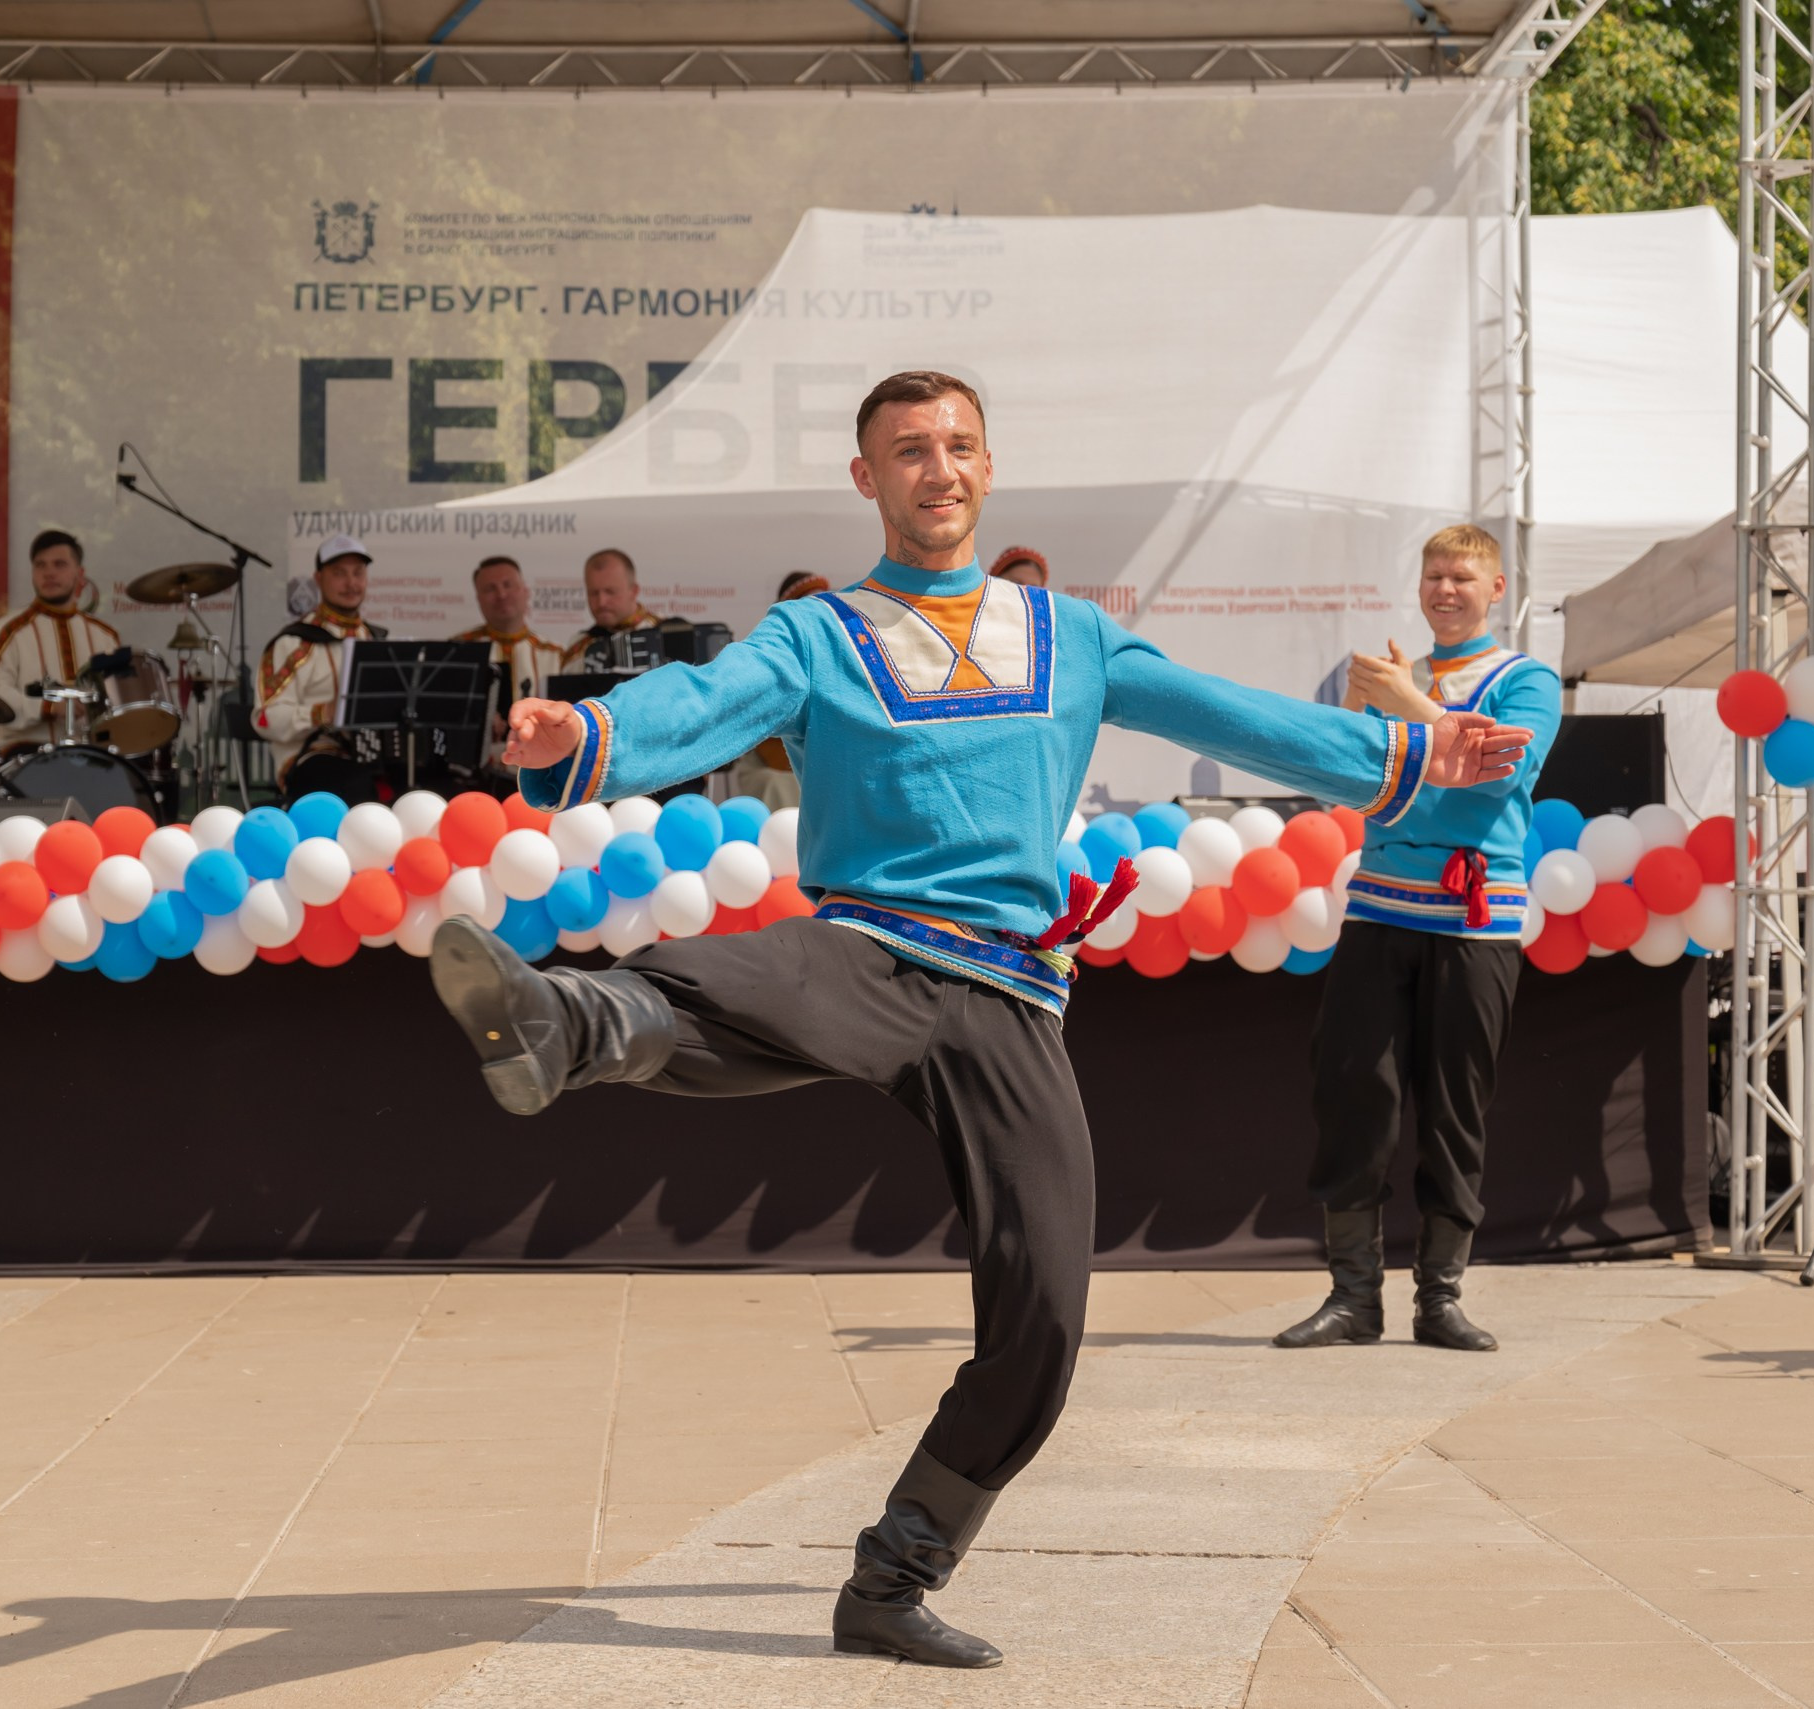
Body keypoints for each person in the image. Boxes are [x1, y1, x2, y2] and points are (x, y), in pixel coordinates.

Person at [426, 371, 1531, 1668]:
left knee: (1045, 1314)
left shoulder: (1071, 634)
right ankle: (561, 1022)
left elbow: (1232, 715)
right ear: (867, 479)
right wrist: (586, 727)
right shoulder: (820, 634)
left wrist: (1406, 755)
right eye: (908, 450)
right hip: (876, 948)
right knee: (755, 978)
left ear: (988, 467)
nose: (937, 468)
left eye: (956, 445)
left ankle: (894, 1575)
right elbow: (704, 702)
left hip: (1009, 990)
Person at [1274, 523, 1561, 1356]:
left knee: (1455, 1110)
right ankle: (1353, 1297)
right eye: (1434, 575)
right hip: (1379, 908)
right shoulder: (1394, 677)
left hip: (1476, 917)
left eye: (1462, 577)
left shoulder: (1526, 680)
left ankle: (1440, 1299)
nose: (1445, 589)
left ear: (1496, 589)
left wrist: (1413, 708)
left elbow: (1500, 780)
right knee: (1351, 1095)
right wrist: (1370, 715)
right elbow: (1356, 784)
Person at [256, 532, 387, 788]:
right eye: (339, 573)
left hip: (371, 759)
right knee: (354, 783)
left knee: (431, 783)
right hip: (309, 758)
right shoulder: (294, 643)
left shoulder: (376, 640)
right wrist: (322, 713)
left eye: (358, 573)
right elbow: (266, 718)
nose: (351, 583)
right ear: (318, 578)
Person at [0, 529, 124, 752]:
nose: (49, 573)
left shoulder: (105, 636)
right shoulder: (7, 630)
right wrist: (46, 708)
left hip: (94, 757)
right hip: (25, 757)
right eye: (40, 565)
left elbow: (120, 702)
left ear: (80, 573)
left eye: (59, 564)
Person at [451, 555, 567, 786]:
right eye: (490, 589)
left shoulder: (556, 655)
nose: (501, 595)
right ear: (478, 599)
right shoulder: (458, 651)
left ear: (525, 591)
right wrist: (478, 719)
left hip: (543, 777)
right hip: (473, 780)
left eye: (508, 585)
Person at [723, 572, 831, 809]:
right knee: (775, 783)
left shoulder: (833, 653)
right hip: (770, 759)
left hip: (820, 759)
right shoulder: (770, 649)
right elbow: (759, 721)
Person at [562, 548, 662, 670]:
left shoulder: (665, 635)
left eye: (610, 592)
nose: (601, 602)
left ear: (634, 591)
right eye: (593, 593)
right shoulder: (578, 648)